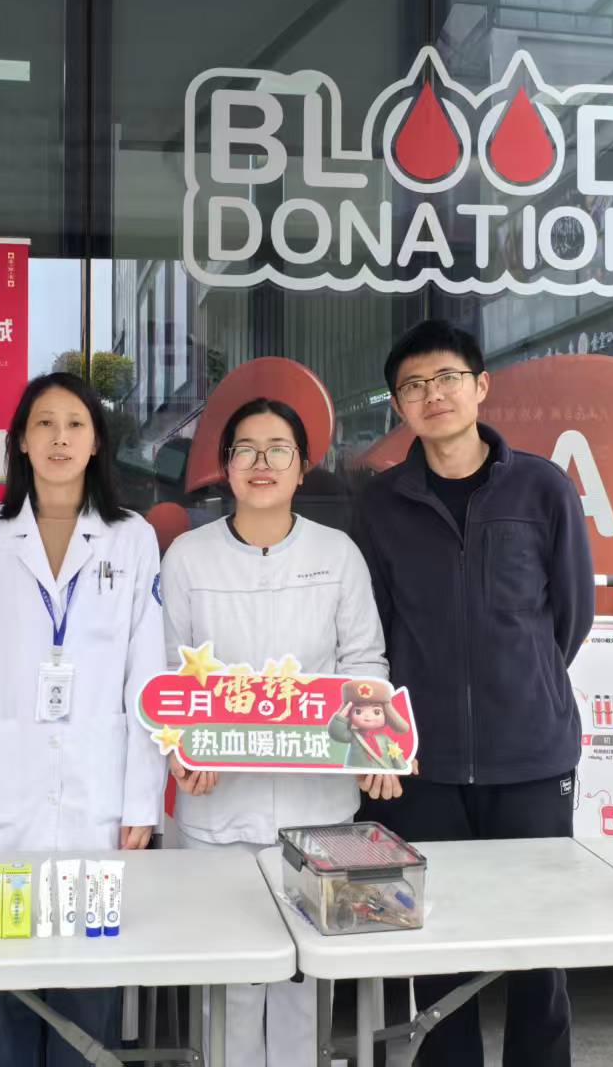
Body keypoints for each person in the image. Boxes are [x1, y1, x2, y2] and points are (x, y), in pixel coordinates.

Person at [352, 319, 593, 1067]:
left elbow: (571, 614)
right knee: (434, 945)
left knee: (539, 947)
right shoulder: (381, 503)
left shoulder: (542, 487)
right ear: (399, 406)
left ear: (481, 386)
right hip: (423, 765)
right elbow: (374, 630)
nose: (434, 395)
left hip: (531, 757)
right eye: (414, 386)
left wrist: (520, 686)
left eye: (448, 378)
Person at [0, 371, 165, 1067]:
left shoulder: (131, 538)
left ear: (97, 443)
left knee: (87, 995)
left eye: (75, 424)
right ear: (22, 443)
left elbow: (145, 676)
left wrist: (141, 797)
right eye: (44, 424)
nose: (60, 438)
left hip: (98, 798)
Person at [160, 397, 396, 1067]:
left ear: (302, 465)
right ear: (225, 465)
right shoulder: (188, 557)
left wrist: (376, 749)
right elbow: (170, 673)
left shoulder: (337, 554)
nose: (261, 463)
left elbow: (363, 663)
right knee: (228, 985)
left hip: (316, 809)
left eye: (278, 449)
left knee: (304, 985)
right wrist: (182, 748)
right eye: (246, 449)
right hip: (217, 809)